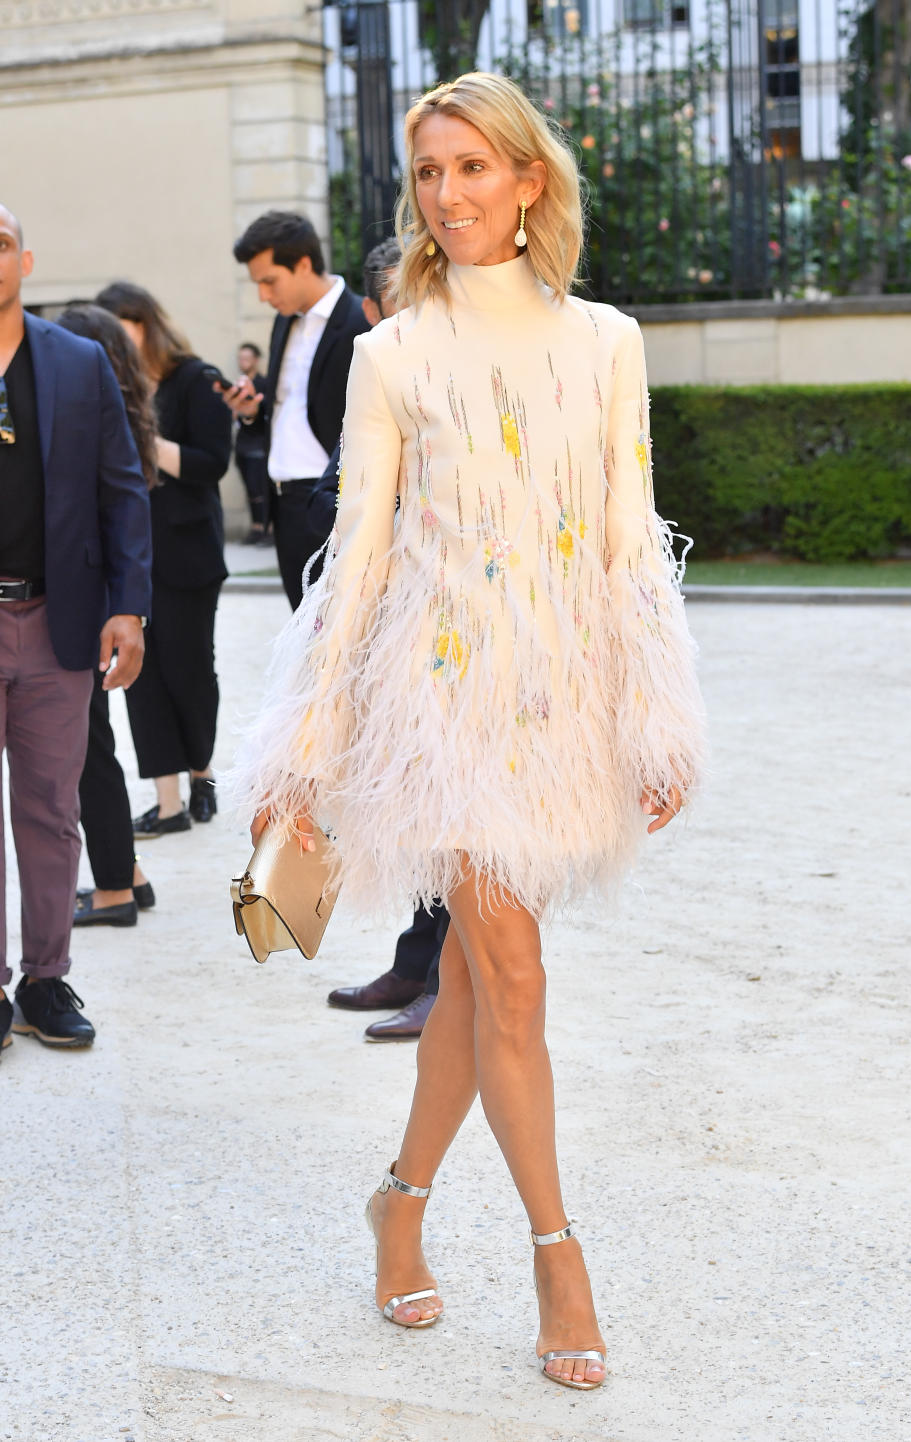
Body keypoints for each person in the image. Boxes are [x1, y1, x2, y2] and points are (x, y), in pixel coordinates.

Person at [231, 74, 705, 1390]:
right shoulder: (393, 354)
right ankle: (561, 1250)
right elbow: (359, 561)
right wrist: (304, 749)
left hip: (559, 705)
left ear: (528, 179)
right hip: (441, 707)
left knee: (482, 980)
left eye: (472, 168)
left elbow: (630, 543)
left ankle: (400, 1198)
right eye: (428, 172)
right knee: (518, 967)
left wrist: (659, 715)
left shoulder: (607, 340)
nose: (447, 194)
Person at [0, 205, 151, 1055]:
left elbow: (121, 489)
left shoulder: (77, 362)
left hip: (58, 621)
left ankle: (45, 980)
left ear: (25, 259)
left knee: (51, 810)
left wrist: (128, 608)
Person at [318, 238, 450, 1043]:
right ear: (375, 310)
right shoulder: (380, 371)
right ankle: (416, 964)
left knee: (466, 819)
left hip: (461, 627)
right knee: (423, 813)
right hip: (393, 627)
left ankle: (446, 985)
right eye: (404, 300)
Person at [96, 282, 232, 838]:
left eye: (119, 329)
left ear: (144, 323)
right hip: (132, 551)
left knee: (190, 670)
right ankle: (168, 800)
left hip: (188, 551)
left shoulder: (195, 379)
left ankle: (202, 774)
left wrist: (144, 437)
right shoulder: (110, 384)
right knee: (141, 677)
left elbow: (212, 463)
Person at [55, 304, 159, 928]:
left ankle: (116, 887)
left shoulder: (84, 410)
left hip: (83, 602)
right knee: (94, 745)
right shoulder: (125, 404)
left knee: (88, 751)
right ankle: (129, 873)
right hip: (98, 597)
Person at [224, 210, 368, 609]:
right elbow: (290, 405)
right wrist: (253, 411)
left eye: (269, 281)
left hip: (333, 501)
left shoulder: (360, 319)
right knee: (303, 644)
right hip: (284, 504)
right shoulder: (284, 322)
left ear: (304, 264)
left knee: (346, 639)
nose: (263, 296)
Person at [234, 341, 271, 546]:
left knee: (260, 489)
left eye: (247, 358)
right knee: (250, 489)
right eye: (240, 358)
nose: (243, 362)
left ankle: (266, 529)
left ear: (256, 360)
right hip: (243, 445)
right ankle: (256, 527)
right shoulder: (238, 384)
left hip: (259, 445)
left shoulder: (263, 385)